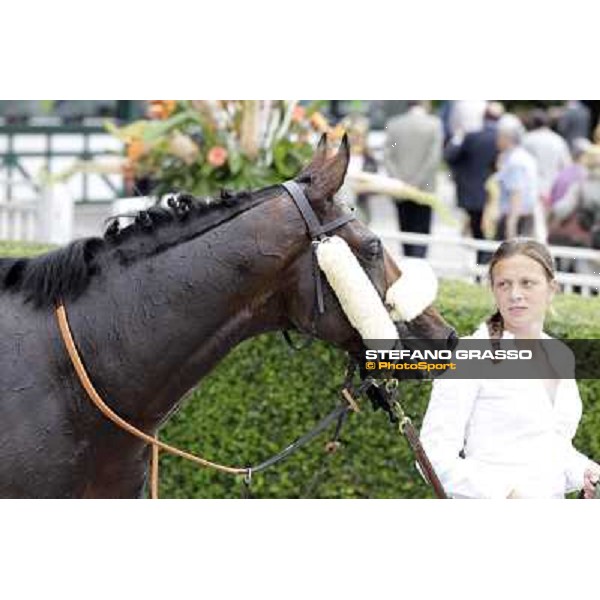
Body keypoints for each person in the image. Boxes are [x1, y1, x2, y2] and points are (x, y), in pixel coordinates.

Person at [420, 238, 600, 498]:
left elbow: (553, 448)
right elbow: (431, 458)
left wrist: (585, 471)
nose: (515, 294)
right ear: (493, 291)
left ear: (551, 289)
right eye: (504, 284)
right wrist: (506, 493)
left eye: (527, 283)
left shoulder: (560, 356)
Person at [384, 101, 443, 257]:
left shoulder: (394, 124)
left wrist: (400, 181)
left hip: (400, 189)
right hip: (425, 188)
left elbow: (388, 156)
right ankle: (420, 263)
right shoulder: (434, 124)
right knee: (422, 231)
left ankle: (409, 262)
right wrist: (416, 181)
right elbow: (433, 158)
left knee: (405, 230)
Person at [444, 104, 498, 262]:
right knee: (491, 236)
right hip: (494, 197)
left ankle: (481, 267)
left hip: (473, 195)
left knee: (478, 234)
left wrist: (457, 138)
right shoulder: (502, 137)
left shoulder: (472, 136)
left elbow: (449, 156)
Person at [494, 114, 539, 240]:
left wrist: (511, 224)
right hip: (524, 215)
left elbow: (516, 192)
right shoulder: (523, 156)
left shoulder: (514, 161)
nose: (496, 140)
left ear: (506, 138)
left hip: (515, 217)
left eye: (499, 136)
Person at [523, 109, 571, 207]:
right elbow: (566, 166)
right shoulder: (559, 140)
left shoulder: (527, 139)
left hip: (531, 188)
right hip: (553, 188)